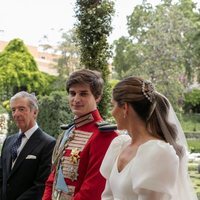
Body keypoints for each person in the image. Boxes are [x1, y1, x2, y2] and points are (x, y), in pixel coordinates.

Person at [100, 76, 198, 200]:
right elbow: (107, 196)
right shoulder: (119, 145)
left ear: (125, 108)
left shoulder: (157, 152)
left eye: (112, 106)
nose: (112, 112)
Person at [42, 69, 118, 200]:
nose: (76, 99)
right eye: (72, 93)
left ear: (97, 97)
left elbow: (93, 190)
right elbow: (52, 180)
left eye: (83, 94)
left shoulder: (105, 136)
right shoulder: (68, 132)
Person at [0, 91, 56, 200]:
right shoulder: (9, 141)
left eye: (21, 109)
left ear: (34, 112)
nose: (16, 114)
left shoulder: (48, 143)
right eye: (13, 110)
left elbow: (41, 185)